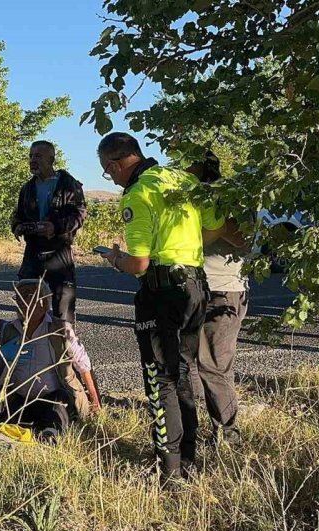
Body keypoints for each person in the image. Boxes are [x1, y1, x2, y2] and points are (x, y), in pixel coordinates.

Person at [95, 132, 228, 481]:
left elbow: (138, 263)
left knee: (160, 380)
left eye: (109, 173)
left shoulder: (139, 194)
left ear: (115, 163)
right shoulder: (182, 179)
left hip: (162, 292)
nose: (112, 179)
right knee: (182, 373)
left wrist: (115, 259)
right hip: (197, 287)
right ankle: (188, 460)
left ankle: (167, 470)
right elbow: (213, 229)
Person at [0, 279, 101, 438]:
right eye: (18, 296)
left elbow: (84, 365)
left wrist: (94, 401)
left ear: (44, 303)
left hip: (47, 401)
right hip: (16, 400)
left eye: (28, 295)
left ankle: (50, 435)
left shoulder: (59, 330)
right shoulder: (10, 330)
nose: (21, 299)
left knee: (60, 399)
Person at [187, 150, 247, 447]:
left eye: (190, 163)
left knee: (212, 366)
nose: (185, 168)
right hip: (201, 287)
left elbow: (243, 238)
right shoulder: (193, 198)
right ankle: (216, 430)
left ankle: (230, 437)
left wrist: (209, 227)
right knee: (202, 364)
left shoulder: (224, 199)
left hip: (223, 290)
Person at [11, 141, 87, 325]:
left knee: (63, 311)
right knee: (27, 307)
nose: (32, 160)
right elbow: (17, 214)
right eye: (30, 156)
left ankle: (65, 351)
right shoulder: (27, 188)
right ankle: (31, 350)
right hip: (32, 252)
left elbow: (79, 215)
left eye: (38, 156)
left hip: (59, 252)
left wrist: (55, 227)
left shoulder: (69, 185)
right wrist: (17, 226)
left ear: (51, 159)